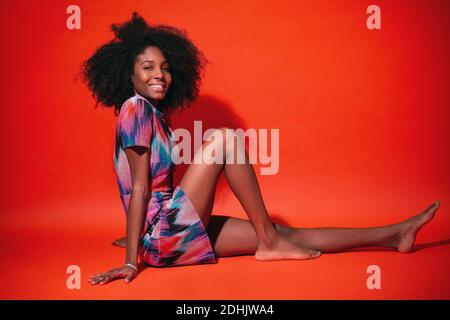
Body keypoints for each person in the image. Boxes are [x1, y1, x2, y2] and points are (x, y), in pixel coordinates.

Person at [80, 12, 440, 285]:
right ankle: (269, 242)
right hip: (163, 236)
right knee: (223, 139)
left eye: (165, 67)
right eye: (148, 67)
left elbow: (147, 187)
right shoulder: (135, 109)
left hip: (165, 234)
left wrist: (138, 239)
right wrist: (132, 258)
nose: (160, 74)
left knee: (287, 233)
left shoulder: (155, 114)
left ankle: (394, 234)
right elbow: (140, 187)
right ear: (128, 75)